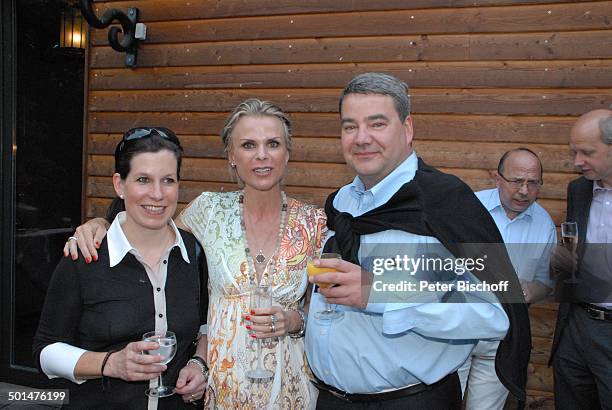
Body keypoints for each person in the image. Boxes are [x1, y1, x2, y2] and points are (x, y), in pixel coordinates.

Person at [65, 100, 327, 409]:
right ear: (231, 156)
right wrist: (101, 224)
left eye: (273, 144)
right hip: (222, 386)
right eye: (248, 145)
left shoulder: (316, 224)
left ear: (287, 153)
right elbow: (150, 230)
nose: (261, 155)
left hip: (290, 386)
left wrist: (295, 320)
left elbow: (326, 314)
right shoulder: (207, 211)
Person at [306, 73, 531, 409]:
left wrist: (380, 294)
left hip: (411, 401)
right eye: (350, 126)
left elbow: (495, 315)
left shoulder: (447, 202)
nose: (361, 138)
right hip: (330, 398)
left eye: (377, 123)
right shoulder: (340, 204)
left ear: (407, 128)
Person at [33, 127, 208, 409]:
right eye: (143, 180)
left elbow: (204, 326)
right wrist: (109, 363)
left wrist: (200, 364)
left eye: (168, 180)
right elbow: (46, 352)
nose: (157, 193)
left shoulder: (193, 251)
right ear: (119, 184)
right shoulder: (85, 255)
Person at [458, 148, 557, 409]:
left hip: (503, 338)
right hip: (456, 330)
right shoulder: (466, 209)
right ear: (496, 177)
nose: (524, 191)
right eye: (516, 181)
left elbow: (546, 283)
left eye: (533, 183)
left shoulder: (544, 223)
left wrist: (530, 291)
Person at [550, 109, 612, 409]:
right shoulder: (579, 190)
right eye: (573, 152)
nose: (577, 162)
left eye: (587, 152)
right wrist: (564, 260)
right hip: (577, 323)